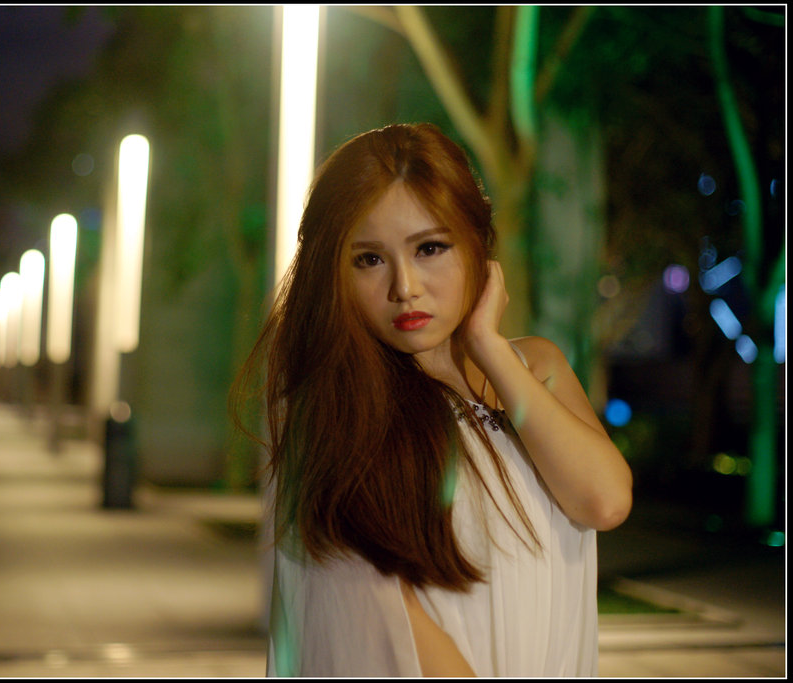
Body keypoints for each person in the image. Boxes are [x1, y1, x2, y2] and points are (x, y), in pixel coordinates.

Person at [231, 123, 633, 677]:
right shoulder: (340, 413)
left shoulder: (534, 368)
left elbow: (604, 502)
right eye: (369, 259)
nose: (405, 287)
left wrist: (488, 346)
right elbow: (383, 624)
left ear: (477, 245)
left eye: (429, 248)